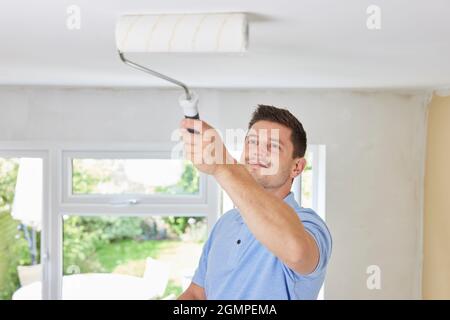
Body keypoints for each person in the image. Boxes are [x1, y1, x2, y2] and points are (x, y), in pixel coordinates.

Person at [178, 104, 332, 300]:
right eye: (252, 142)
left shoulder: (309, 226)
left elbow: (296, 252)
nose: (258, 151)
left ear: (297, 167)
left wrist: (223, 166)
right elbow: (197, 294)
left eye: (274, 146)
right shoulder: (225, 223)